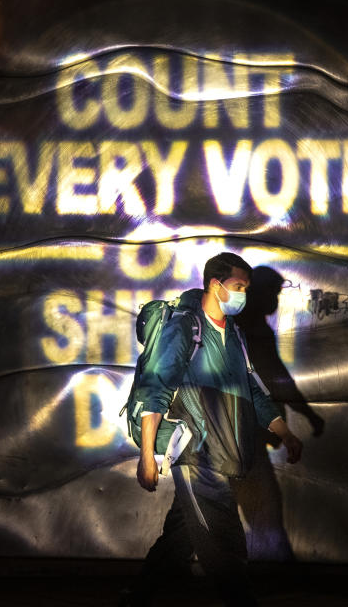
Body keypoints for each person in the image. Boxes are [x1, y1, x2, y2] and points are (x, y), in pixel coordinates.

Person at [119, 252, 303, 607]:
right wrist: (146, 456)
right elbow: (155, 389)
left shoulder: (234, 335)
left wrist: (285, 432)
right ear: (215, 285)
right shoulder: (186, 326)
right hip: (195, 450)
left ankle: (138, 594)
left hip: (224, 450)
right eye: (238, 286)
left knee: (182, 532)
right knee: (223, 535)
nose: (244, 295)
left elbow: (254, 391)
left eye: (247, 288)